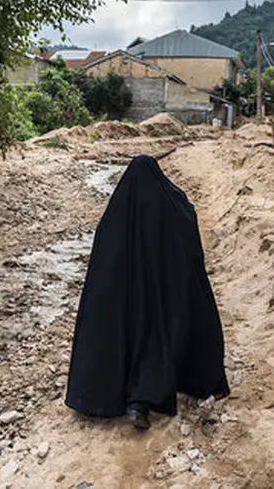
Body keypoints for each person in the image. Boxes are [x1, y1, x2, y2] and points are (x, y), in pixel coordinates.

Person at [65, 155, 230, 429]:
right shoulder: (170, 205)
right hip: (160, 304)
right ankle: (142, 401)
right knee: (160, 344)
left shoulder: (115, 218)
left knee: (128, 341)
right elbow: (187, 234)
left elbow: (101, 273)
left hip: (126, 310)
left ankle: (118, 397)